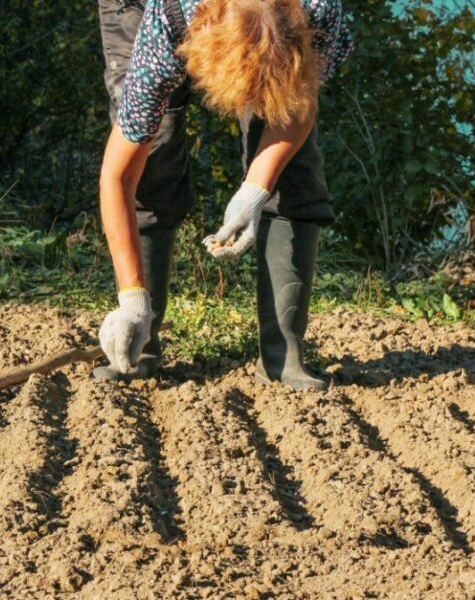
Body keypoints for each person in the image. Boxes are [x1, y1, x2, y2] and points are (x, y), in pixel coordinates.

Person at [95, 0, 353, 390]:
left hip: (276, 29)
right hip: (141, 10)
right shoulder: (165, 28)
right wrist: (131, 299)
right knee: (153, 157)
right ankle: (139, 344)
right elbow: (119, 175)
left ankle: (284, 356)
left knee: (293, 167)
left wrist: (255, 188)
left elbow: (300, 104)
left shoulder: (318, 9)